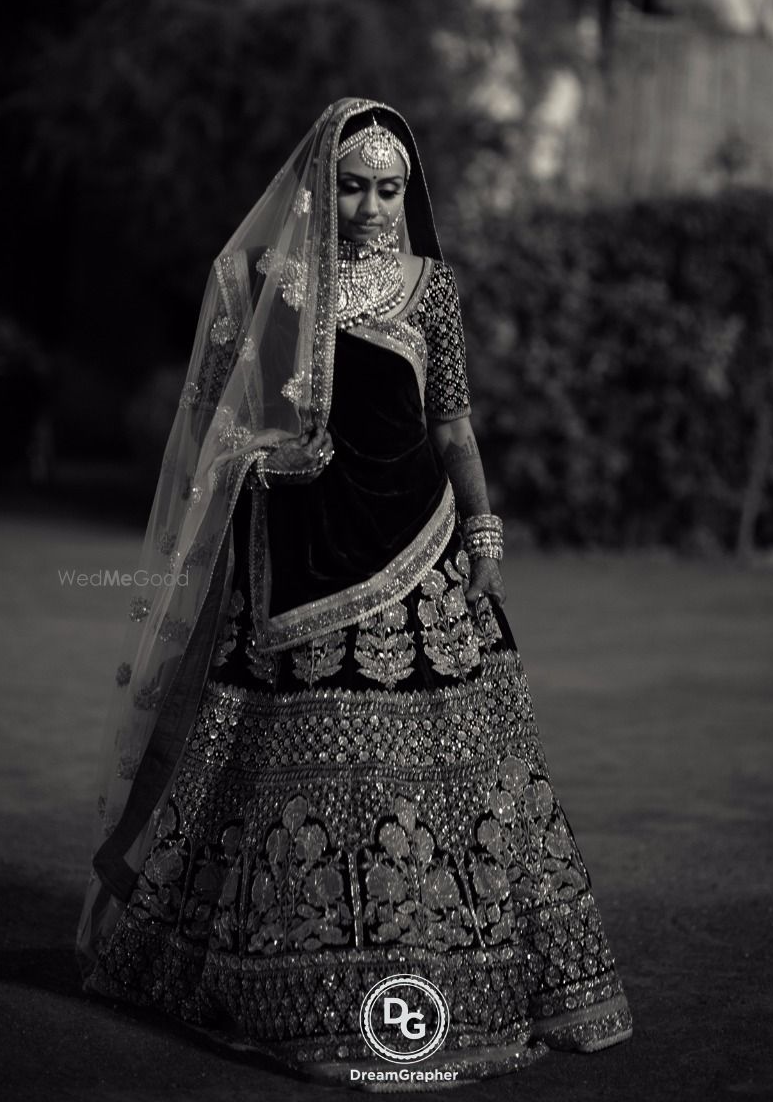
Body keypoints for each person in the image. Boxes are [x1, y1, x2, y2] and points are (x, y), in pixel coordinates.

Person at [75, 97, 632, 1089]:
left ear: (407, 190)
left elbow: (452, 422)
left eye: (390, 187)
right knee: (283, 760)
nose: (372, 203)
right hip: (296, 553)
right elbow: (215, 423)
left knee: (437, 758)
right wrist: (259, 454)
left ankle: (447, 972)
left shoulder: (432, 287)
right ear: (319, 183)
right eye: (353, 183)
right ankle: (287, 971)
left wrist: (485, 522)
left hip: (416, 540)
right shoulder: (270, 284)